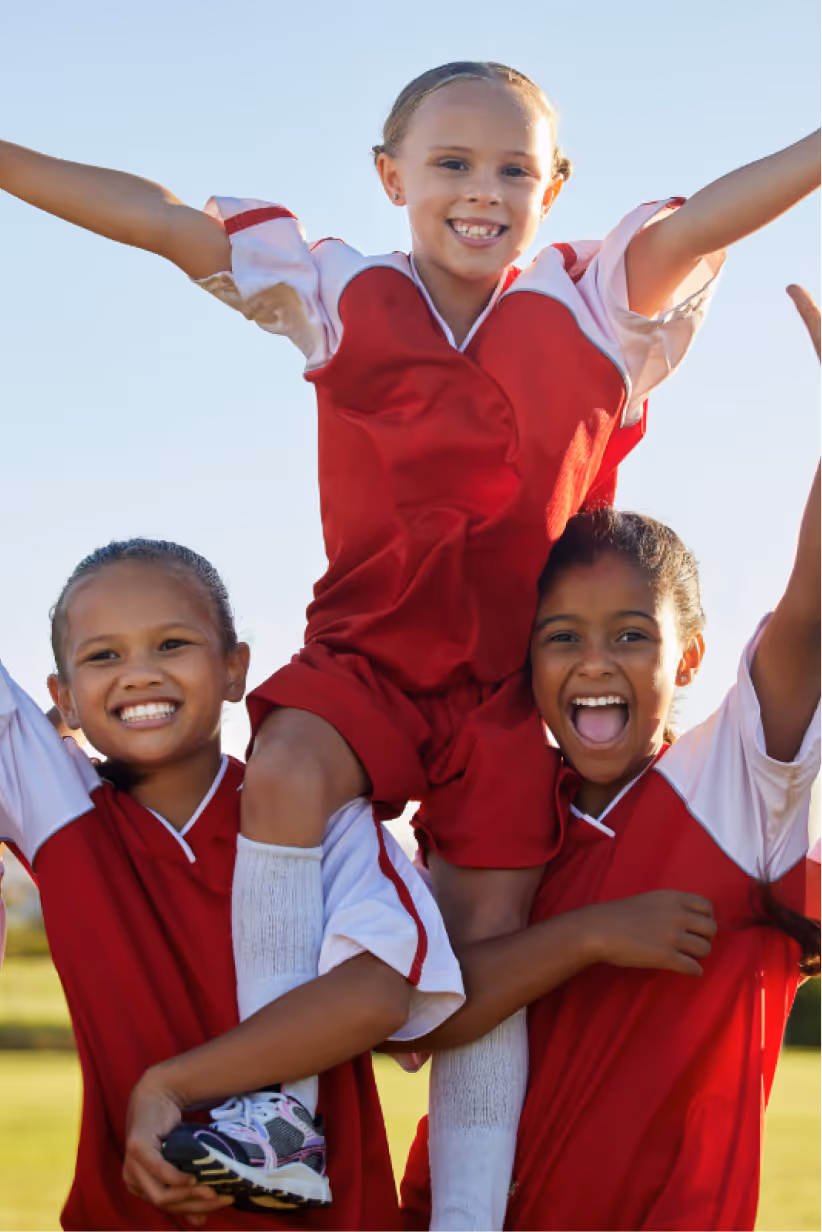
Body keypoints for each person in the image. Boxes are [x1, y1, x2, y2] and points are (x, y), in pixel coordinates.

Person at [1, 64, 818, 1226]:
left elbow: (711, 215)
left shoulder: (597, 301)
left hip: (504, 693)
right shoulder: (337, 288)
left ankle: (469, 1214)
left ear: (555, 186)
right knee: (282, 771)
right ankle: (273, 1106)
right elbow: (158, 217)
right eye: (451, 164)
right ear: (391, 176)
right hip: (366, 660)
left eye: (513, 169)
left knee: (491, 948)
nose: (482, 190)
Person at [398, 285, 821, 1231]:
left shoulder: (740, 785)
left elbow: (811, 615)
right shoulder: (490, 805)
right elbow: (420, 1017)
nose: (594, 662)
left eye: (632, 636)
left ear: (692, 658)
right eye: (561, 638)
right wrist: (590, 935)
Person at [0, 538, 467, 1230]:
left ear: (234, 669)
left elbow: (379, 993)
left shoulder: (312, 805)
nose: (138, 674)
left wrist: (173, 1084)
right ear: (63, 698)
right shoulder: (57, 803)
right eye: (104, 656)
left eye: (172, 645)